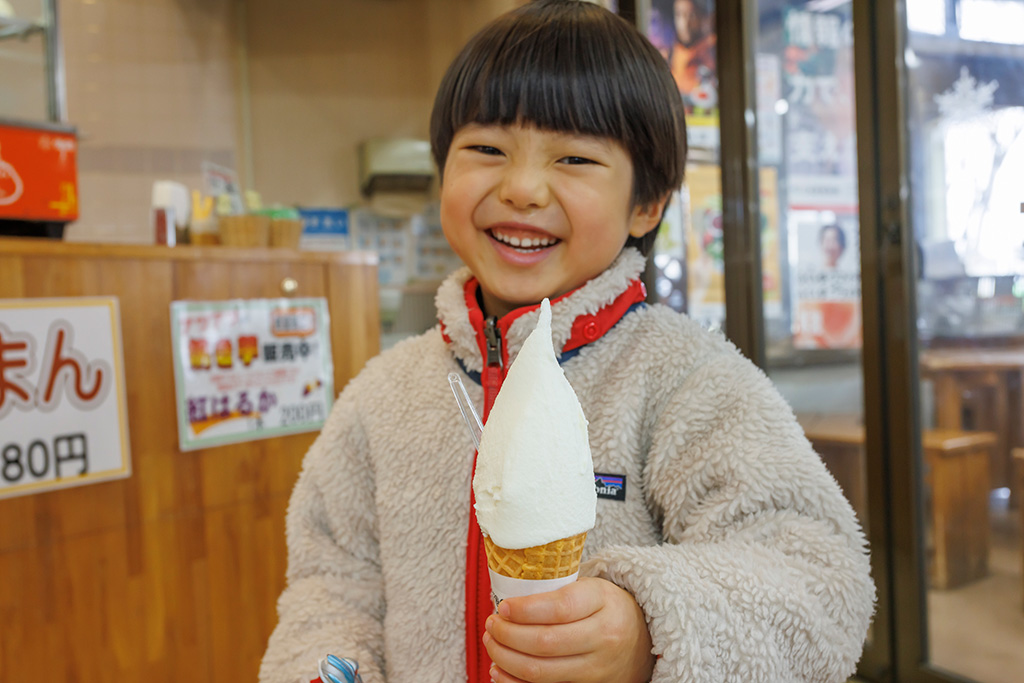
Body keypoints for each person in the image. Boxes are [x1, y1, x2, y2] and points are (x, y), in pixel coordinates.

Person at [259, 2, 874, 682]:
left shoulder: (687, 381)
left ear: (647, 204)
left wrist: (652, 628)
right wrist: (326, 670)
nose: (521, 188)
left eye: (575, 157)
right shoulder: (383, 396)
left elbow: (820, 579)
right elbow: (329, 587)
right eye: (487, 149)